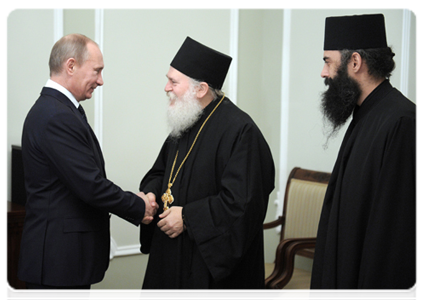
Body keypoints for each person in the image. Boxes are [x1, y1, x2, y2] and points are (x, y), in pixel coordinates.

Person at [18, 33, 157, 300]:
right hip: (57, 264)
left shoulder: (60, 109)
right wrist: (139, 207)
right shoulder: (56, 115)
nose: (101, 80)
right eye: (97, 71)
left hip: (63, 263)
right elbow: (91, 186)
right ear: (71, 66)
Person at [138, 36, 275, 299]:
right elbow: (161, 172)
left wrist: (189, 218)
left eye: (174, 81)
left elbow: (244, 204)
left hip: (210, 272)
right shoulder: (185, 120)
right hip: (171, 256)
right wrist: (152, 194)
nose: (166, 87)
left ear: (200, 89)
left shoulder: (241, 131)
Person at [310, 14, 420, 300]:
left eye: (328, 61)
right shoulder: (367, 113)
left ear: (355, 62)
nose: (324, 72)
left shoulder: (401, 121)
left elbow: (394, 238)